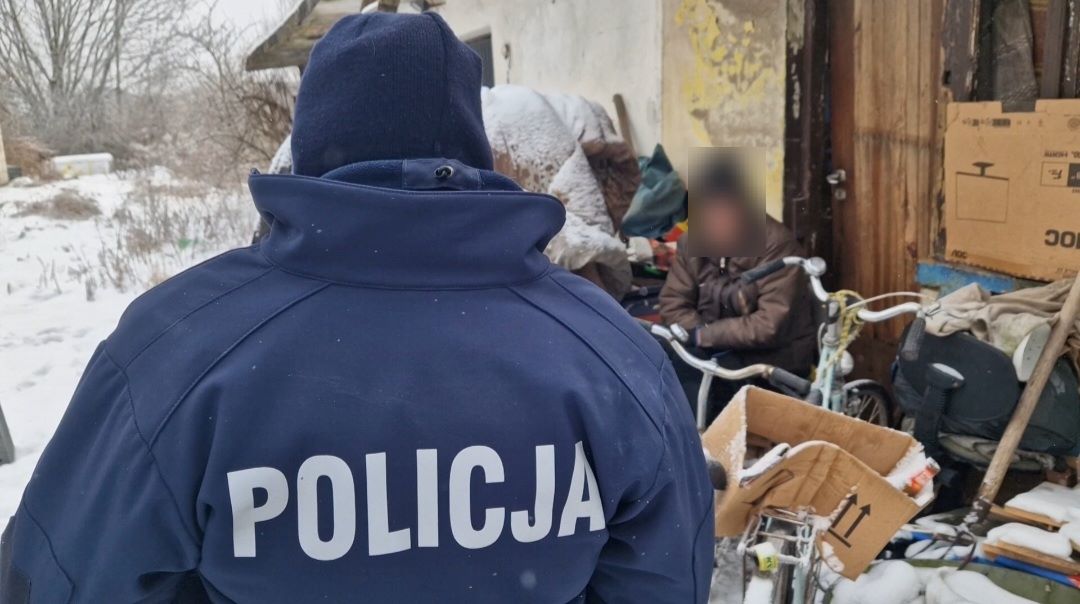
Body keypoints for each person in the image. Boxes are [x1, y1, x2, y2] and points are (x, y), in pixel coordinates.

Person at [0, 12, 713, 603]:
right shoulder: (610, 353)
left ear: (310, 142)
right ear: (472, 146)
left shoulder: (177, 349)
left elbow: (57, 575)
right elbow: (668, 580)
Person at [658, 171, 817, 418]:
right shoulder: (692, 241)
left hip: (772, 358)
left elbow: (768, 325)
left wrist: (703, 335)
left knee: (707, 393)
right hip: (716, 350)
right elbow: (673, 302)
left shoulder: (777, 245)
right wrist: (700, 336)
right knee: (666, 368)